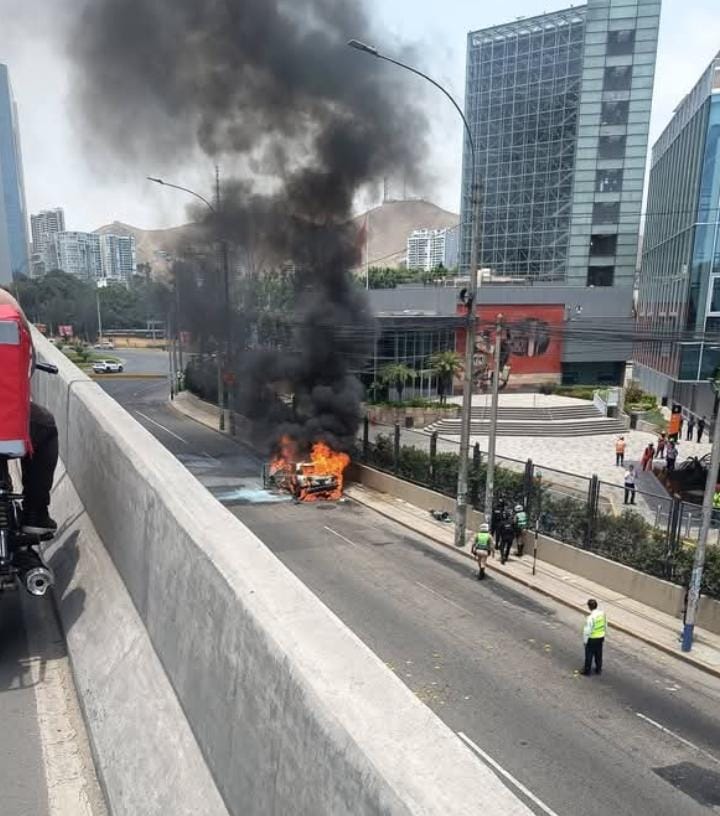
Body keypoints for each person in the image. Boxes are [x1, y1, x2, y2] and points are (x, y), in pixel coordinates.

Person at [0, 287, 58, 534]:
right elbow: (28, 358)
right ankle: (35, 513)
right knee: (45, 426)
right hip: (5, 420)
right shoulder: (4, 300)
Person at [581, 598, 607, 676]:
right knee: (598, 654)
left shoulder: (590, 618)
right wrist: (603, 634)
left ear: (589, 607)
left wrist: (585, 641)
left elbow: (587, 631)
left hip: (592, 638)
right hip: (600, 637)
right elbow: (605, 624)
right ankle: (598, 669)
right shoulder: (602, 614)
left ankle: (587, 671)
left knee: (589, 655)